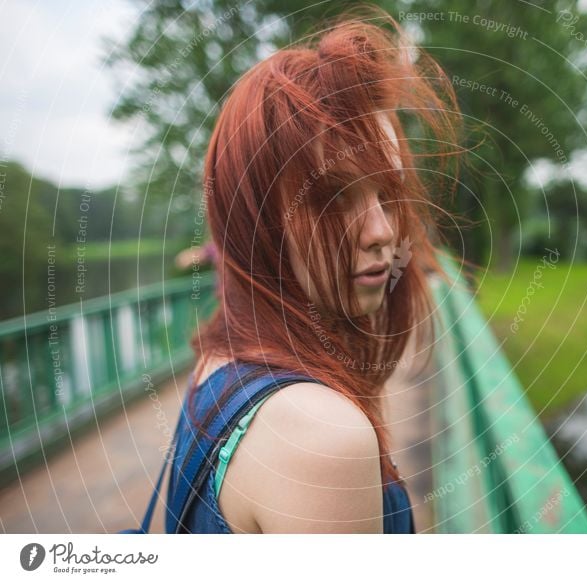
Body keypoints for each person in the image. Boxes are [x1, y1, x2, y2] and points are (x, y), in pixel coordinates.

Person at [166, 7, 462, 534]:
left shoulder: (219, 360)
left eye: (386, 195)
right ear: (255, 222)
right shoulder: (322, 437)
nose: (382, 233)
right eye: (332, 198)